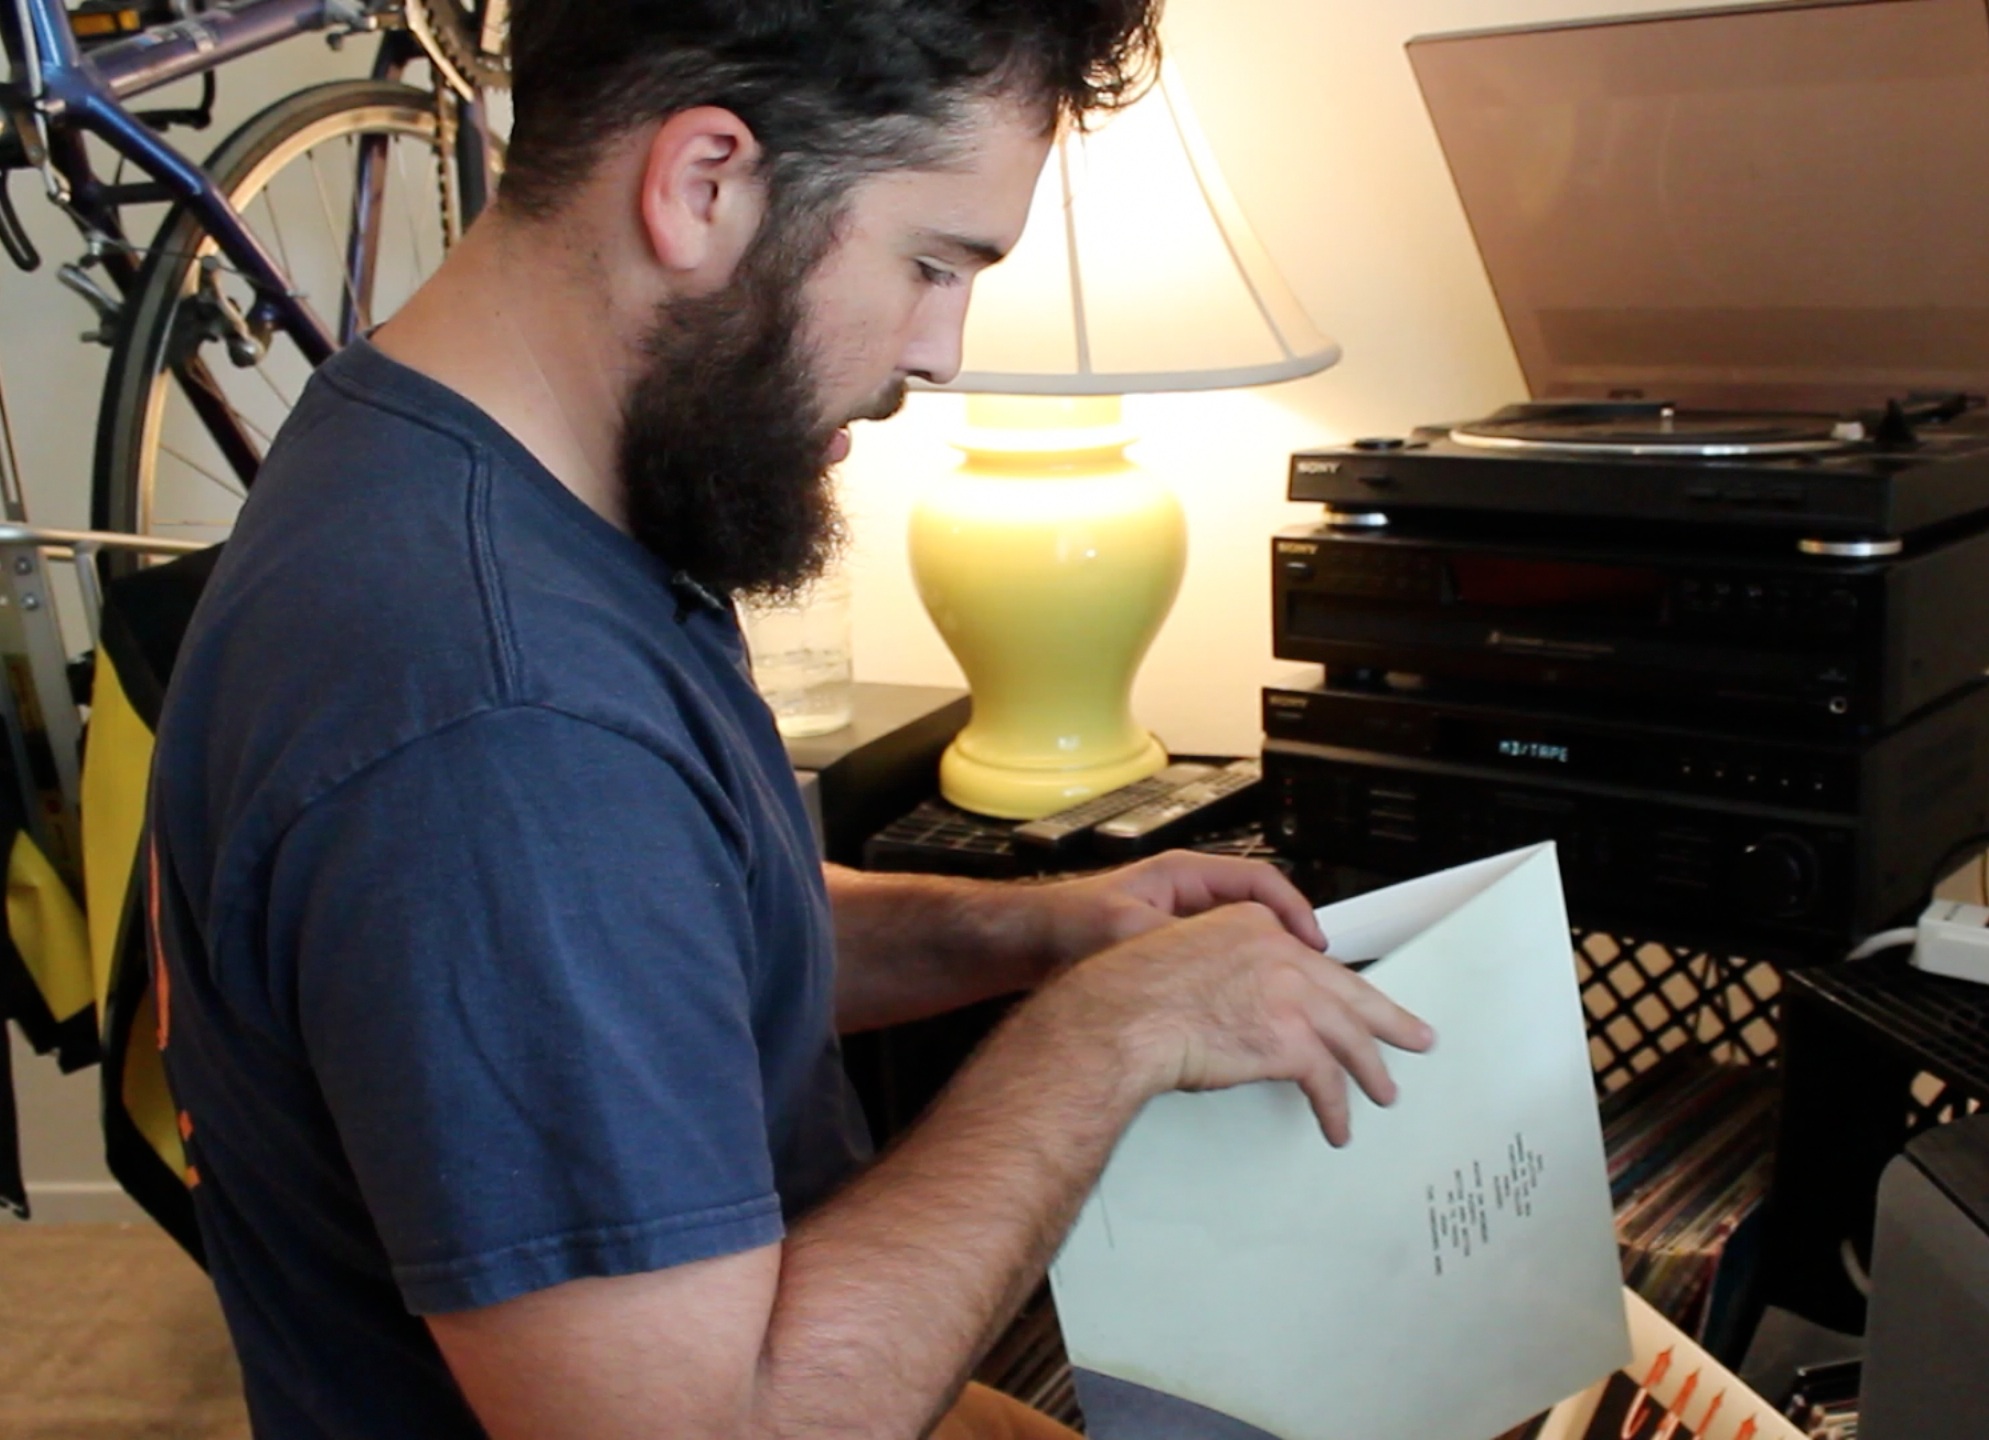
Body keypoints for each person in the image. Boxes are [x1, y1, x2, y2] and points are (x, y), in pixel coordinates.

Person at [146, 2, 1435, 1436]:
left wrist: (1047, 929)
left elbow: (672, 937)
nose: (941, 350)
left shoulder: (449, 456)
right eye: (931, 262)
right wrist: (1100, 1039)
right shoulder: (504, 726)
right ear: (703, 184)